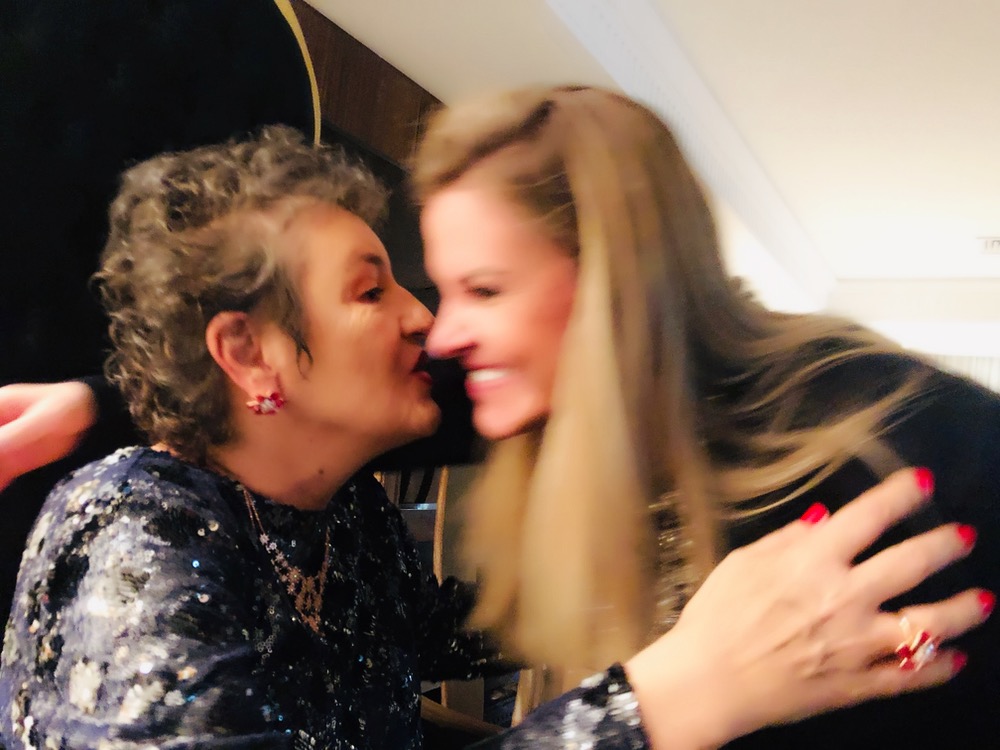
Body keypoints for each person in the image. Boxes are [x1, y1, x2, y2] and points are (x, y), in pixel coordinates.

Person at [0, 127, 989, 748]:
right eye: (372, 291)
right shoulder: (132, 540)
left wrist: (663, 583)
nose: (428, 322)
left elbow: (432, 625)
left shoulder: (341, 518)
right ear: (249, 354)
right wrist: (663, 699)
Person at [409, 85, 1000, 748]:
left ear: (616, 281)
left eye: (484, 289)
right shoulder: (607, 435)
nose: (442, 337)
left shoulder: (862, 440)